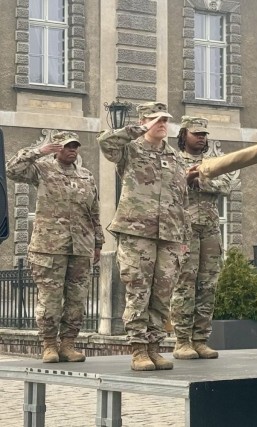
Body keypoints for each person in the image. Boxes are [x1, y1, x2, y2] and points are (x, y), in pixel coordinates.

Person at [98, 102, 190, 371]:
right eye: (156, 119)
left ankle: (154, 347)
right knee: (139, 289)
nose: (162, 124)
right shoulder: (130, 149)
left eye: (165, 120)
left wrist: (183, 238)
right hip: (136, 231)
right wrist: (137, 129)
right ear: (144, 121)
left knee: (162, 294)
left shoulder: (174, 157)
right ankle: (138, 348)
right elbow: (105, 143)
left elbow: (181, 199)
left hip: (170, 235)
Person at [6, 131, 103, 363]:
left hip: (80, 248)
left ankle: (68, 344)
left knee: (77, 300)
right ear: (57, 148)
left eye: (75, 146)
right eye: (67, 146)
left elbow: (94, 212)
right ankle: (49, 344)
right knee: (50, 299)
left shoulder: (86, 175)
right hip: (49, 248)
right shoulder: (42, 169)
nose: (72, 150)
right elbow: (12, 170)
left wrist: (98, 243)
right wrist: (37, 152)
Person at [171, 116, 231, 360]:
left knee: (207, 286)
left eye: (205, 134)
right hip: (184, 230)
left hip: (210, 230)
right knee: (185, 285)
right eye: (197, 134)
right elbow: (169, 186)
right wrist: (186, 181)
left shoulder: (212, 161)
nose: (202, 138)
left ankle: (200, 339)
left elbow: (227, 184)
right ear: (184, 134)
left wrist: (201, 180)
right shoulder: (174, 160)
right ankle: (182, 340)